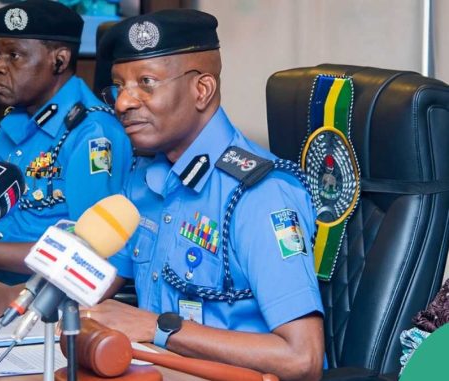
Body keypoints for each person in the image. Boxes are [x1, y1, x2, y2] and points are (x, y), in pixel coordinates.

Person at [80, 9, 324, 381]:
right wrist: (23, 298)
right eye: (118, 85)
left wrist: (158, 327)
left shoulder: (260, 194)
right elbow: (95, 282)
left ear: (202, 90)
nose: (122, 103)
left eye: (146, 83)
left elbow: (302, 359)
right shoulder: (144, 179)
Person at [0, 0, 132, 328]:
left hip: (53, 304)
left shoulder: (92, 135)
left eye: (14, 55)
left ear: (59, 60)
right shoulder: (13, 125)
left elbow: (86, 255)